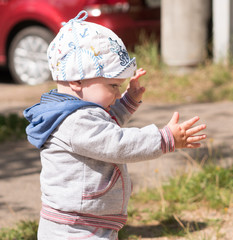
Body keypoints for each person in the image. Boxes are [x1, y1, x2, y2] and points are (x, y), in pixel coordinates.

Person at [24, 10, 206, 240]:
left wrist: (128, 101)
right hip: (75, 230)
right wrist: (165, 138)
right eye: (112, 85)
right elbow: (115, 143)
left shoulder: (74, 112)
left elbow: (104, 127)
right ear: (77, 80)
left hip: (85, 222)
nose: (116, 93)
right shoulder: (75, 121)